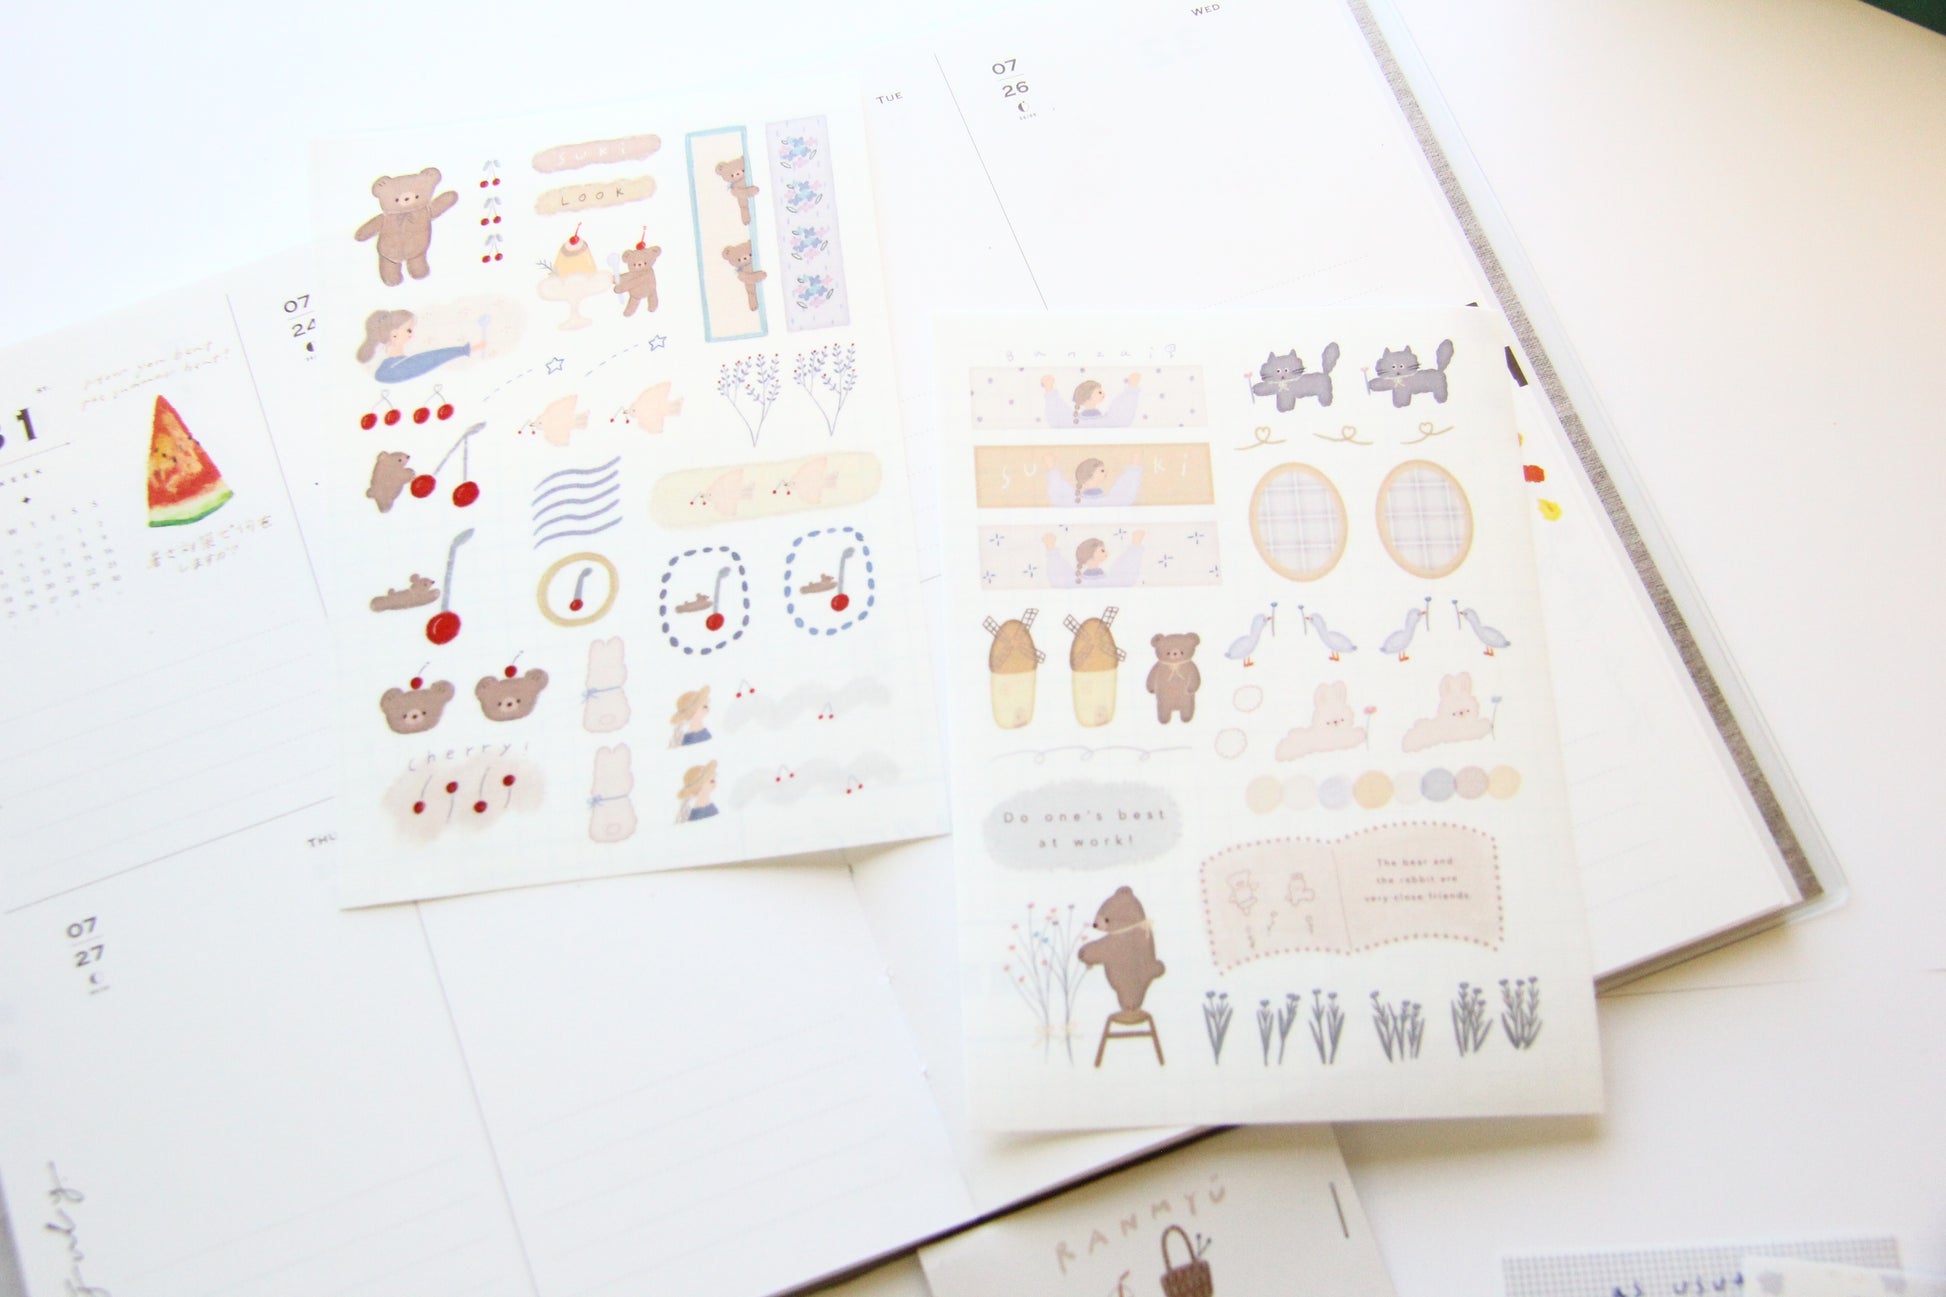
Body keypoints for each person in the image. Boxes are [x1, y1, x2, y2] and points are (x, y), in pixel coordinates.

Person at [355, 309, 482, 382]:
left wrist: (463, 350)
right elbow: (431, 359)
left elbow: (431, 358)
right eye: (409, 330)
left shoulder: (392, 366)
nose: (412, 334)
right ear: (394, 335)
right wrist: (462, 350)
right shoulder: (391, 369)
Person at [1042, 530, 1147, 587]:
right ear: (1091, 553)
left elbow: (1125, 576)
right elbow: (1059, 577)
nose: (1107, 553)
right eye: (1102, 551)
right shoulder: (1109, 581)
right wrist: (1051, 547)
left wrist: (1135, 544)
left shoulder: (1109, 579)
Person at [1041, 451, 1144, 507]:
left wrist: (1134, 465)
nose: (1106, 473)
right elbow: (1125, 496)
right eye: (1102, 471)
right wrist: (1052, 467)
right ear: (1091, 474)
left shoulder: (1109, 500)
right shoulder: (1109, 501)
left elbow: (1125, 496)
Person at [1041, 371, 1142, 427]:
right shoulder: (1108, 421)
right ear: (1088, 397)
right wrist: (1049, 389)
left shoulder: (1108, 420)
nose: (1103, 394)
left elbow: (1123, 417)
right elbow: (1057, 418)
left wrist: (1132, 387)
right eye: (1099, 392)